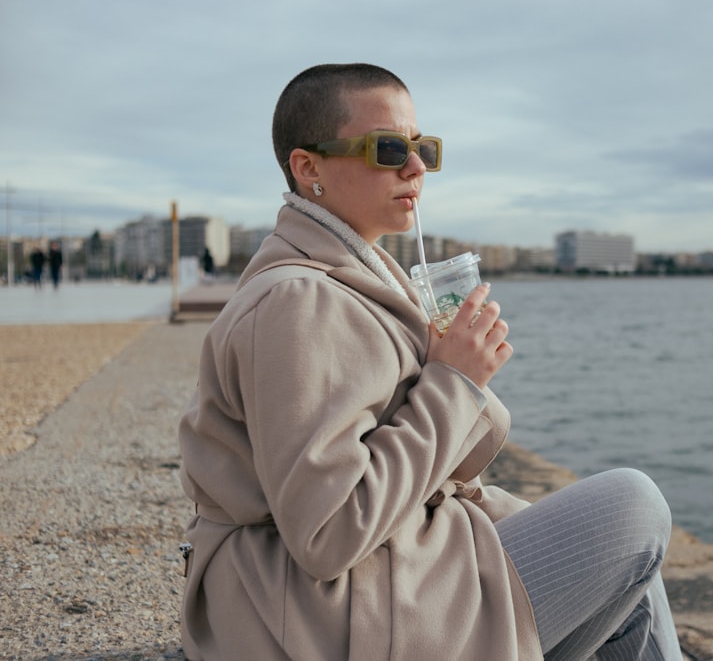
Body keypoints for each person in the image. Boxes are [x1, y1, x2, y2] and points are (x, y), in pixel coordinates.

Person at [178, 63, 684, 660]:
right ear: (308, 166)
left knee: (630, 571)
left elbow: (439, 462)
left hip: (364, 576)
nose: (416, 167)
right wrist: (452, 382)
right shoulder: (299, 301)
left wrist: (456, 370)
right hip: (316, 611)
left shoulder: (352, 277)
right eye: (389, 148)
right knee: (633, 505)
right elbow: (326, 532)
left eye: (423, 148)